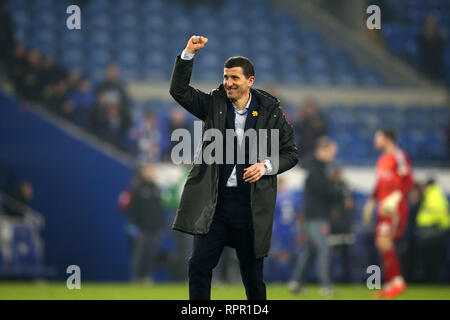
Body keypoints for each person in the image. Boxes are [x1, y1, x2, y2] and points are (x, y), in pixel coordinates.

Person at [169, 35, 298, 300]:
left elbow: (291, 153)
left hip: (250, 206)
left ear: (250, 81)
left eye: (234, 78)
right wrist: (188, 54)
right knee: (198, 266)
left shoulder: (270, 111)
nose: (228, 82)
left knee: (252, 276)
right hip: (215, 204)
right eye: (226, 77)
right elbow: (179, 91)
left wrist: (266, 165)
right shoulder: (213, 104)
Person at [363, 128, 414, 299]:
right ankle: (391, 283)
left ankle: (397, 283)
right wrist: (371, 203)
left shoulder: (399, 156)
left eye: (377, 137)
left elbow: (408, 179)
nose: (375, 141)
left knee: (385, 242)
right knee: (382, 243)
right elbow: (380, 184)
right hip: (382, 208)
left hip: (394, 208)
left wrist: (396, 197)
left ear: (387, 139)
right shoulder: (382, 159)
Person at [288, 136, 340, 297]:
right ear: (322, 150)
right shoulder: (316, 169)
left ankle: (296, 282)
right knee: (324, 249)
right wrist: (337, 191)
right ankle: (326, 286)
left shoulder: (316, 167)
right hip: (317, 216)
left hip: (312, 216)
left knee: (310, 250)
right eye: (331, 151)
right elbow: (323, 191)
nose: (333, 154)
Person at [126, 164, 164, 283]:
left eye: (152, 171)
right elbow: (133, 209)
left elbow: (160, 209)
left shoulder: (157, 189)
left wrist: (161, 226)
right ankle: (136, 278)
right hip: (141, 229)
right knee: (139, 255)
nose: (151, 173)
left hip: (154, 228)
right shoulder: (137, 189)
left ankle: (148, 277)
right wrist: (134, 227)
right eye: (149, 171)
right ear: (143, 173)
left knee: (151, 254)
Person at [415, 179, 450, 283]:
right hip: (437, 231)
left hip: (434, 232)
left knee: (432, 259)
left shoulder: (433, 195)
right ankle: (433, 279)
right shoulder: (436, 194)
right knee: (435, 259)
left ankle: (433, 280)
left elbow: (435, 214)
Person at [329, 166, 354, 283]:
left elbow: (350, 204)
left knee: (346, 254)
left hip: (344, 225)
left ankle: (347, 279)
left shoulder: (344, 186)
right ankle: (330, 278)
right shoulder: (328, 186)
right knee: (330, 254)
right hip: (332, 226)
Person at [417, 15, 446, 83]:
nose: (431, 26)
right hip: (424, 70)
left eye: (433, 24)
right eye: (429, 24)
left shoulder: (440, 40)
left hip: (437, 70)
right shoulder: (421, 39)